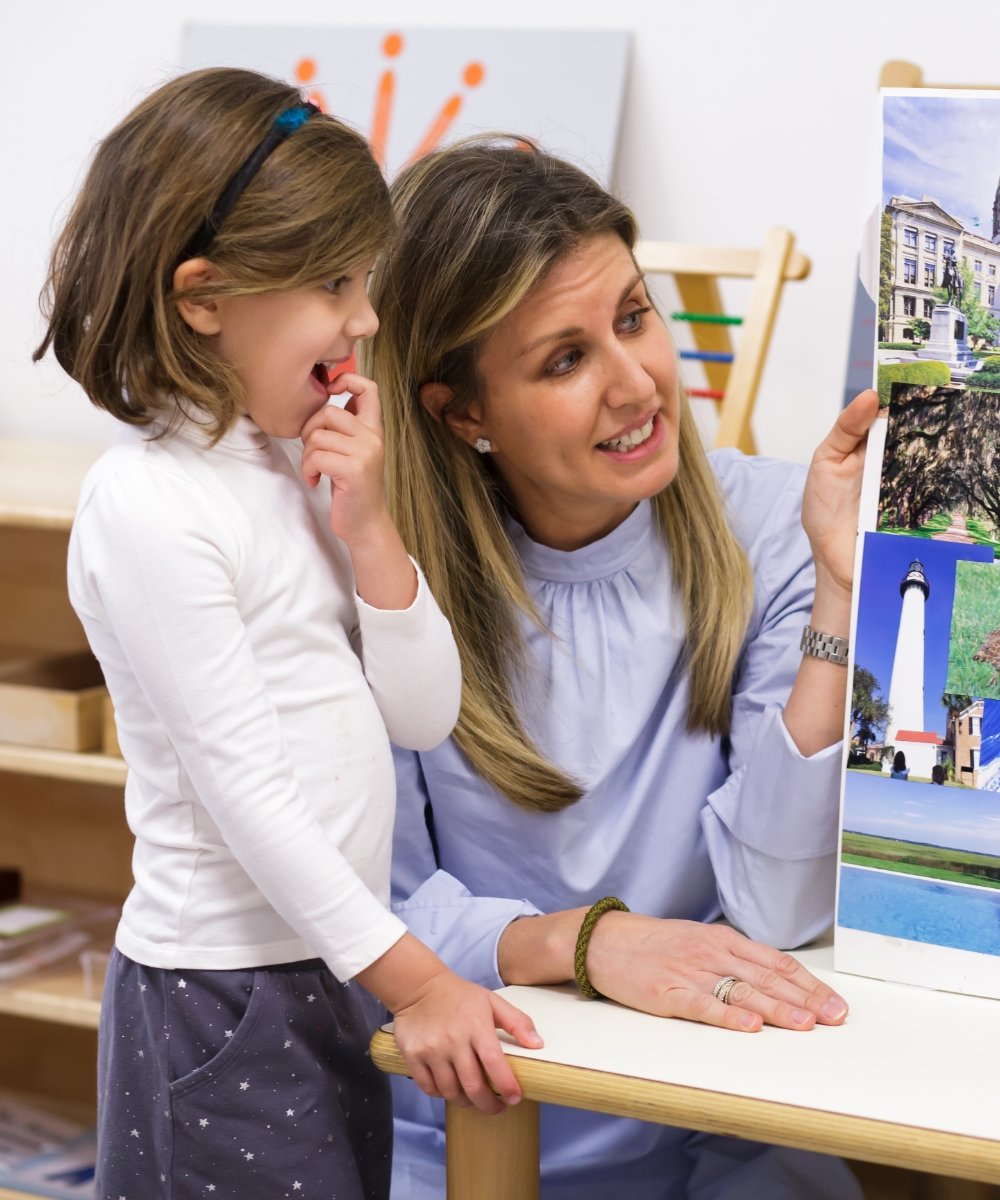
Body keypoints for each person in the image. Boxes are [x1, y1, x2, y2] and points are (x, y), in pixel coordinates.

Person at [32, 77, 541, 1200]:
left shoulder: (288, 464)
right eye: (334, 283)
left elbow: (423, 716)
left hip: (327, 961)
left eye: (365, 281)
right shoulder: (150, 504)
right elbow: (247, 795)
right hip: (221, 994)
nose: (365, 320)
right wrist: (419, 983)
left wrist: (372, 533)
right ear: (204, 298)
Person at [367, 136, 878, 1199]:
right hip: (473, 1124)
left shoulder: (772, 524)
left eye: (635, 318)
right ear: (462, 413)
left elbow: (778, 909)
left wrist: (839, 592)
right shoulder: (385, 584)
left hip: (714, 1120)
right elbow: (375, 914)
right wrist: (589, 944)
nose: (637, 383)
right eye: (565, 360)